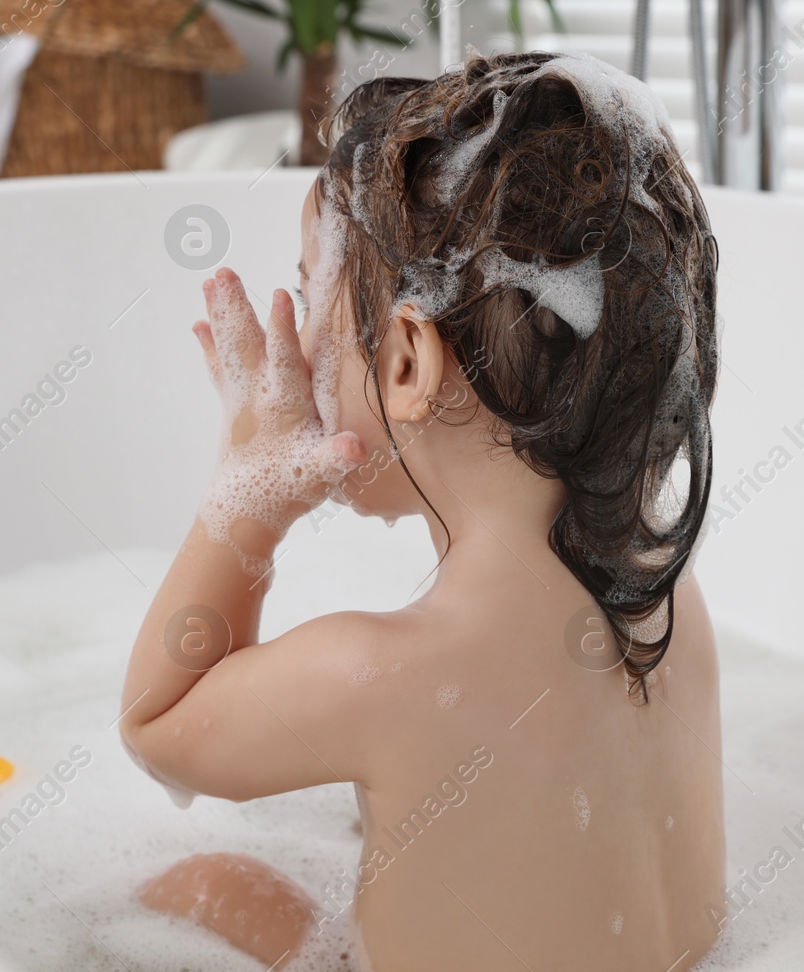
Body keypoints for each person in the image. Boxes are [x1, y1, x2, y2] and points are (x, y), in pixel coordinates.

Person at [121, 50, 725, 971]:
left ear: (408, 361)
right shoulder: (673, 608)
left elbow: (158, 726)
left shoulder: (384, 674)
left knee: (195, 879)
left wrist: (247, 498)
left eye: (313, 292)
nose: (300, 344)